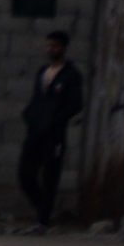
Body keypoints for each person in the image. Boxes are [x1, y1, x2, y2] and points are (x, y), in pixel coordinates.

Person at [17, 31, 85, 231]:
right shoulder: (42, 72)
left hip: (54, 134)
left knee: (50, 176)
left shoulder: (71, 75)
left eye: (55, 46)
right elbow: (36, 99)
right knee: (25, 174)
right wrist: (30, 116)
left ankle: (43, 220)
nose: (50, 49)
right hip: (35, 131)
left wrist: (56, 120)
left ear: (63, 48)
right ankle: (43, 209)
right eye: (48, 45)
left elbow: (76, 104)